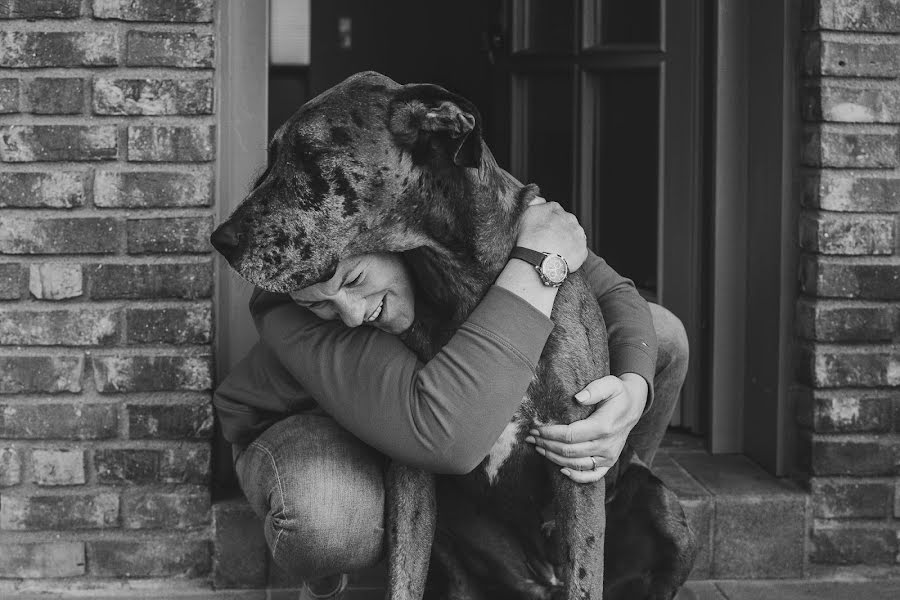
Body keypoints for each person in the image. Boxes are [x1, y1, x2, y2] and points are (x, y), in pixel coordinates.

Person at [213, 201, 688, 599]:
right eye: (320, 302)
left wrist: (628, 398)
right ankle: (335, 566)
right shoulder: (302, 319)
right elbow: (446, 438)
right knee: (329, 517)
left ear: (399, 236)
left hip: (430, 420)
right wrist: (535, 264)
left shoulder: (452, 223)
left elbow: (611, 290)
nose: (351, 314)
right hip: (309, 422)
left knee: (658, 335)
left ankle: (597, 487)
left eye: (355, 280)